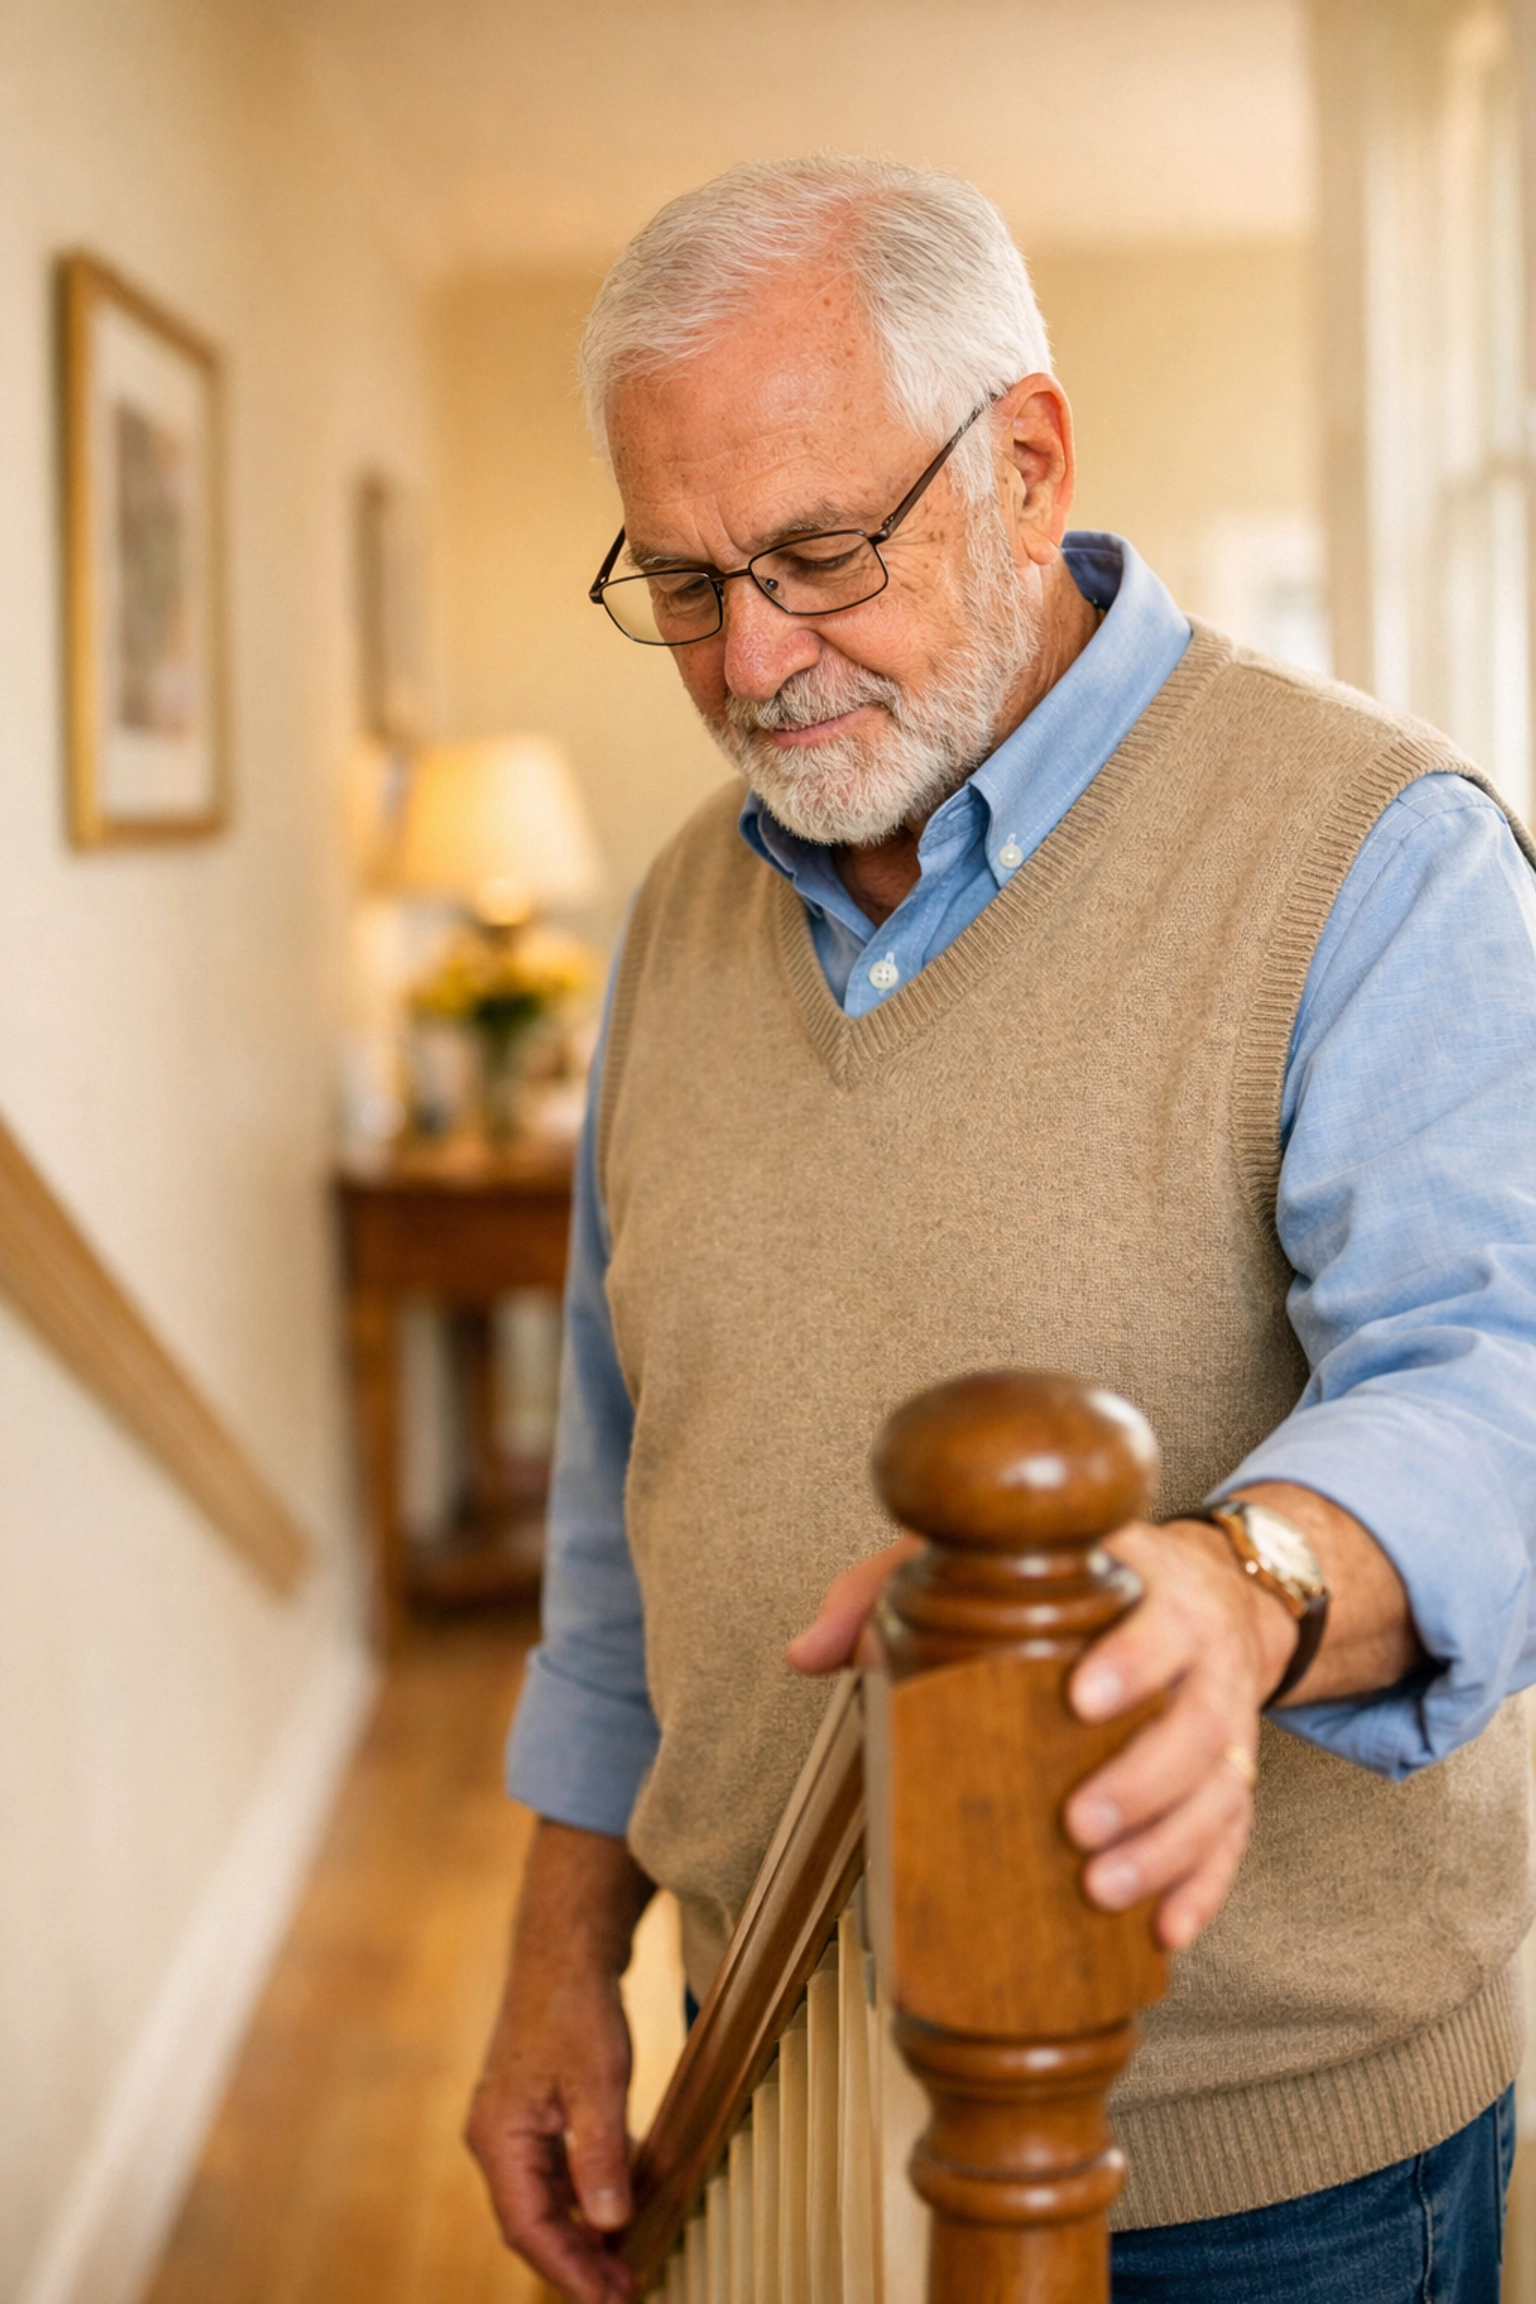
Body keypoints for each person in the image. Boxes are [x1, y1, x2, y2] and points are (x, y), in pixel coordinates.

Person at [465, 157, 1536, 2304]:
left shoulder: (1375, 851)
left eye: (817, 553)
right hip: (764, 2077)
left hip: (1252, 2172)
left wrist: (1244, 1589)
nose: (754, 661)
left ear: (1024, 462)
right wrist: (559, 1952)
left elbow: (1495, 1382)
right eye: (680, 584)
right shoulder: (678, 911)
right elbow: (623, 1513)